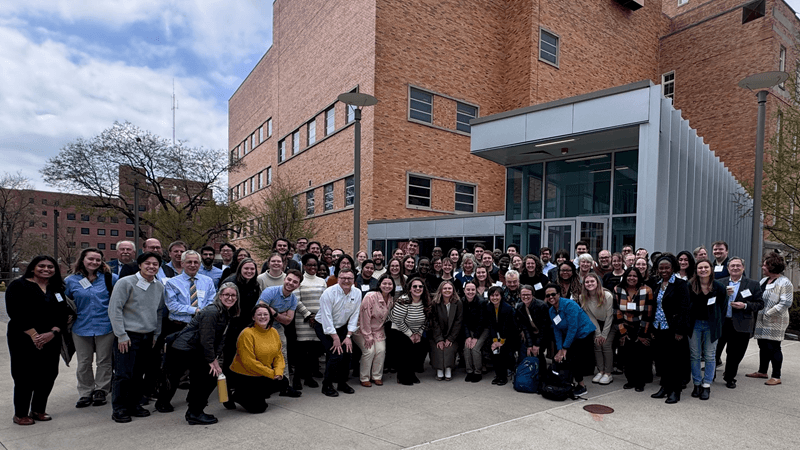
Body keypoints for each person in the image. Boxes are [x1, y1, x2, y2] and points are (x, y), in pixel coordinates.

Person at [155, 283, 240, 424]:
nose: (230, 298)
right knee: (203, 376)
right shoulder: (212, 311)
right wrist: (212, 360)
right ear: (219, 296)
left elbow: (221, 338)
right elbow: (207, 339)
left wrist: (216, 357)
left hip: (196, 348)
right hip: (184, 348)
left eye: (233, 295)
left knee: (203, 377)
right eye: (226, 294)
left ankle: (194, 409)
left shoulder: (227, 312)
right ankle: (193, 412)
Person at [5, 256, 69, 426]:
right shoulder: (18, 285)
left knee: (48, 374)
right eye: (41, 266)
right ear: (33, 267)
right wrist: (35, 335)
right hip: (23, 338)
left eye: (50, 266)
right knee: (24, 376)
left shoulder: (56, 288)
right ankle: (20, 413)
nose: (46, 269)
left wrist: (53, 331)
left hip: (51, 338)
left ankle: (38, 409)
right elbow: (15, 312)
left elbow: (64, 313)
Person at [108, 252, 166, 423]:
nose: (151, 267)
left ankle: (134, 404)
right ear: (140, 265)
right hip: (128, 336)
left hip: (148, 336)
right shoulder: (125, 282)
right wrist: (121, 335)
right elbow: (115, 309)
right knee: (123, 374)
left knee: (138, 374)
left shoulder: (159, 286)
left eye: (155, 264)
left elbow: (159, 311)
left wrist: (156, 333)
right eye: (147, 263)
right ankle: (119, 408)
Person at [64, 248, 118, 409]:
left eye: (98, 259)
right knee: (84, 362)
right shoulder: (70, 281)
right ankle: (86, 392)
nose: (94, 262)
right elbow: (64, 302)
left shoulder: (110, 279)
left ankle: (101, 390)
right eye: (91, 259)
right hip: (81, 326)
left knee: (104, 361)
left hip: (105, 326)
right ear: (82, 260)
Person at [226, 304, 288, 413]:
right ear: (253, 317)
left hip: (261, 373)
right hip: (244, 375)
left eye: (265, 314)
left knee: (283, 382)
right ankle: (236, 394)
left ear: (270, 317)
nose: (262, 317)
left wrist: (278, 372)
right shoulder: (247, 333)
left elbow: (278, 355)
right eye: (259, 314)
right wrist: (271, 373)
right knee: (259, 408)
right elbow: (249, 362)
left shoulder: (273, 331)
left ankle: (255, 394)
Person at [648, 255, 690, 404]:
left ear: (672, 268)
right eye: (661, 268)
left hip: (673, 330)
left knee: (674, 362)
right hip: (658, 328)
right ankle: (664, 387)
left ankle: (675, 391)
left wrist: (680, 331)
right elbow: (653, 307)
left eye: (667, 267)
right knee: (662, 361)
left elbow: (684, 309)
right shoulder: (656, 284)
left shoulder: (680, 284)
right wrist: (651, 328)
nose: (664, 270)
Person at [748, 252, 794, 386]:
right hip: (761, 319)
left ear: (773, 267)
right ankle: (762, 371)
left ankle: (776, 375)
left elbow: (786, 302)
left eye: (765, 265)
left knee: (774, 346)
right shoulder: (763, 281)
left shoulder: (784, 282)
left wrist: (768, 313)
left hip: (775, 321)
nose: (762, 267)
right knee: (762, 345)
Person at [315, 268, 362, 396]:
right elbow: (326, 317)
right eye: (343, 278)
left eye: (349, 278)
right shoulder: (329, 293)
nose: (346, 281)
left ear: (354, 280)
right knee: (335, 354)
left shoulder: (357, 293)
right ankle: (327, 385)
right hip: (323, 325)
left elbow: (354, 315)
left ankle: (342, 383)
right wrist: (335, 337)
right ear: (338, 278)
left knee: (347, 353)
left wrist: (348, 336)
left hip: (342, 327)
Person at [718, 257, 763, 388]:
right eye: (732, 266)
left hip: (741, 324)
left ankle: (730, 377)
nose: (735, 268)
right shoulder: (720, 282)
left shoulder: (753, 284)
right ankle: (710, 376)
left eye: (738, 266)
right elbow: (712, 300)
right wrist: (723, 294)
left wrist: (744, 305)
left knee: (735, 353)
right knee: (714, 351)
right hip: (722, 323)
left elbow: (760, 304)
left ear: (743, 268)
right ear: (728, 268)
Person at [544, 283, 595, 397]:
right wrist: (559, 349)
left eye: (553, 294)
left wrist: (565, 348)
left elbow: (573, 327)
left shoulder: (569, 305)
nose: (551, 297)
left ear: (559, 294)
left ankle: (581, 386)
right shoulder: (551, 311)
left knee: (573, 358)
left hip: (583, 334)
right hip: (569, 334)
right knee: (562, 357)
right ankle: (567, 382)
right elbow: (557, 330)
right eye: (548, 296)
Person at [257, 270, 303, 397]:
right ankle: (261, 386)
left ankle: (284, 385)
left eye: (295, 282)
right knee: (261, 355)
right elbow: (261, 312)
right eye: (289, 279)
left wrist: (273, 312)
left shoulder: (293, 299)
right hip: (259, 327)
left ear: (298, 286)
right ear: (284, 279)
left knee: (282, 355)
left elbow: (288, 321)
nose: (290, 283)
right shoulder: (270, 291)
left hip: (277, 328)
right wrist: (280, 315)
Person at [686, 259, 726, 400]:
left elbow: (723, 307)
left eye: (706, 267)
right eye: (700, 267)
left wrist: (718, 324)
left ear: (711, 269)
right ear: (696, 270)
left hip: (711, 325)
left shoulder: (719, 287)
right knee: (695, 355)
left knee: (710, 355)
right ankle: (697, 383)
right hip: (694, 325)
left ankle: (706, 385)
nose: (703, 270)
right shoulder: (690, 285)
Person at [220, 258, 262, 392]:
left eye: (252, 269)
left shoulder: (254, 285)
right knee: (230, 356)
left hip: (247, 325)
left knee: (245, 356)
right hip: (231, 325)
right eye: (246, 268)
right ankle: (228, 388)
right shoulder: (231, 283)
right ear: (240, 269)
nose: (249, 271)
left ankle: (241, 386)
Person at [614, 267, 655, 392]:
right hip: (625, 326)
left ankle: (640, 382)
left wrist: (643, 334)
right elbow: (616, 312)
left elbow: (649, 314)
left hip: (642, 326)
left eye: (635, 276)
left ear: (639, 278)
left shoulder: (647, 290)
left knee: (641, 357)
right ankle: (630, 380)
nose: (632, 278)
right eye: (629, 275)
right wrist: (622, 332)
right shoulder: (618, 289)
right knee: (627, 356)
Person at [352, 274, 395, 387]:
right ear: (379, 285)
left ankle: (376, 376)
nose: (387, 286)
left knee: (381, 350)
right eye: (384, 283)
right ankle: (364, 377)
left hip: (378, 330)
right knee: (369, 351)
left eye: (390, 284)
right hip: (362, 329)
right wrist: (367, 335)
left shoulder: (391, 298)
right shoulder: (370, 296)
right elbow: (364, 317)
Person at [292, 254, 328, 390]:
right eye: (309, 265)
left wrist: (317, 317)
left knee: (313, 352)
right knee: (301, 352)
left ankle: (308, 377)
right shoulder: (299, 280)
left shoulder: (321, 281)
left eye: (315, 265)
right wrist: (308, 315)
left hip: (318, 320)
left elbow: (325, 300)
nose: (312, 267)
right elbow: (295, 300)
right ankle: (296, 378)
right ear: (304, 266)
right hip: (302, 321)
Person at [163, 250, 217, 337]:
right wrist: (195, 310)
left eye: (196, 262)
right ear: (182, 264)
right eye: (189, 262)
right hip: (179, 326)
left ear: (199, 265)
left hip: (201, 326)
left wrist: (202, 313)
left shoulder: (208, 281)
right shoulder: (172, 283)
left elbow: (212, 301)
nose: (193, 265)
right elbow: (172, 305)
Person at [390, 277, 431, 386]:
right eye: (415, 286)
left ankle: (411, 372)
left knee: (422, 346)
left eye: (420, 286)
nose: (418, 288)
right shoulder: (403, 300)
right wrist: (410, 334)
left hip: (416, 331)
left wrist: (419, 334)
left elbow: (426, 320)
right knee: (407, 346)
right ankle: (402, 375)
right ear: (410, 289)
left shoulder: (426, 301)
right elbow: (398, 320)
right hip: (399, 330)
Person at [579, 273, 615, 385]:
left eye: (592, 281)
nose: (589, 284)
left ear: (597, 282)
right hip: (597, 323)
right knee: (597, 343)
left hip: (610, 323)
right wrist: (598, 334)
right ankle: (601, 371)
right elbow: (590, 316)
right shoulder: (582, 297)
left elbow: (610, 316)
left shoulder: (607, 295)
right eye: (587, 282)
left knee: (605, 344)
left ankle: (608, 373)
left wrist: (604, 335)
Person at [428, 280, 463, 381]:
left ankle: (448, 368)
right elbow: (434, 322)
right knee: (438, 348)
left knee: (449, 348)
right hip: (437, 334)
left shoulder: (458, 303)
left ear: (453, 290)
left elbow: (458, 322)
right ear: (441, 290)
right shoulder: (435, 303)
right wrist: (439, 338)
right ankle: (439, 368)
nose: (447, 290)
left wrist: (450, 338)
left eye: (449, 288)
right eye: (445, 288)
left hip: (453, 335)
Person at [515, 284, 551, 379]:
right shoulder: (520, 307)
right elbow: (525, 327)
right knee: (528, 351)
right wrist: (530, 345)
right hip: (532, 333)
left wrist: (537, 344)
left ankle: (543, 377)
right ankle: (531, 376)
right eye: (523, 295)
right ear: (520, 295)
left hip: (545, 334)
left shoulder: (541, 305)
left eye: (528, 294)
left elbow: (544, 327)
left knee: (539, 352)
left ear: (533, 295)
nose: (525, 297)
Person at [485, 286, 517, 386]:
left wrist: (501, 342)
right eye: (492, 295)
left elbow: (510, 328)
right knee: (494, 351)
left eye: (497, 295)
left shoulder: (508, 309)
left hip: (509, 337)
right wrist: (494, 341)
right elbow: (490, 325)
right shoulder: (488, 308)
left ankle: (503, 376)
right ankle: (498, 375)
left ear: (501, 296)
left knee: (502, 351)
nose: (494, 298)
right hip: (495, 337)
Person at [461, 281, 486, 382]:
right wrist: (468, 336)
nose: (470, 292)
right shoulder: (462, 301)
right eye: (468, 289)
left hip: (483, 329)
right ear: (464, 290)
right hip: (470, 329)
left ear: (476, 291)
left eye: (473, 290)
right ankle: (469, 371)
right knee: (467, 347)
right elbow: (463, 321)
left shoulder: (481, 302)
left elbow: (482, 321)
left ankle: (477, 372)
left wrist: (475, 337)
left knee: (475, 348)